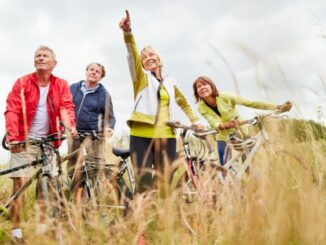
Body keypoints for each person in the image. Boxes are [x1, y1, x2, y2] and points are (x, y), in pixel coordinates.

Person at [119, 10, 202, 194]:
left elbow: (184, 103)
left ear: (159, 58)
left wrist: (194, 120)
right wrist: (128, 33)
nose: (149, 58)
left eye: (152, 55)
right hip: (142, 133)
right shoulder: (141, 79)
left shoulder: (171, 80)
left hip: (167, 135)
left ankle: (161, 219)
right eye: (145, 57)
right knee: (145, 182)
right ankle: (141, 218)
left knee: (165, 181)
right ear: (142, 63)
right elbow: (132, 55)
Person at [4, 46, 77, 241]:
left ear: (54, 63)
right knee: (19, 183)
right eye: (37, 56)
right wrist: (13, 137)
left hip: (49, 141)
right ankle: (16, 232)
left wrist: (69, 127)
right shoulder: (22, 82)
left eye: (45, 56)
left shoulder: (61, 84)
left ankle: (43, 227)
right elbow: (12, 109)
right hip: (24, 140)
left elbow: (66, 107)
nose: (41, 58)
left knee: (48, 184)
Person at [193, 76, 292, 166]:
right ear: (197, 92)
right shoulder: (201, 108)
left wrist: (277, 107)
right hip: (223, 137)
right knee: (225, 167)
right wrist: (223, 126)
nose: (202, 87)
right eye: (199, 86)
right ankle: (227, 183)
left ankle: (250, 182)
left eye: (205, 84)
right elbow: (213, 121)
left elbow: (249, 102)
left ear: (211, 86)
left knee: (248, 166)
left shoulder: (225, 96)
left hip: (241, 133)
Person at [68, 63, 116, 180]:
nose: (94, 72)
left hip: (95, 136)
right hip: (74, 133)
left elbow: (110, 117)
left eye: (97, 71)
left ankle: (95, 196)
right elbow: (65, 107)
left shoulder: (104, 94)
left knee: (95, 168)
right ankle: (77, 194)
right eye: (91, 69)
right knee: (73, 168)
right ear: (86, 72)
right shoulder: (73, 88)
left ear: (100, 77)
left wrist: (109, 127)